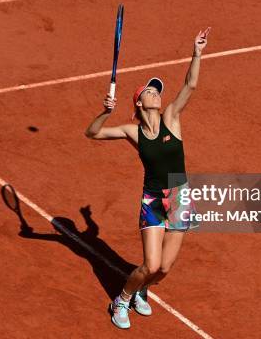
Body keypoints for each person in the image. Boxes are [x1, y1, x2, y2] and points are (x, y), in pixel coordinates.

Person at [85, 27, 211, 329]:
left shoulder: (171, 118)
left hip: (179, 197)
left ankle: (143, 289)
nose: (156, 93)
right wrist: (104, 112)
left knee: (164, 268)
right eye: (149, 91)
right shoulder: (134, 132)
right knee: (151, 264)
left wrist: (197, 52)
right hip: (153, 200)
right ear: (139, 103)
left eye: (157, 90)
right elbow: (93, 133)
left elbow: (190, 86)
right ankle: (123, 298)